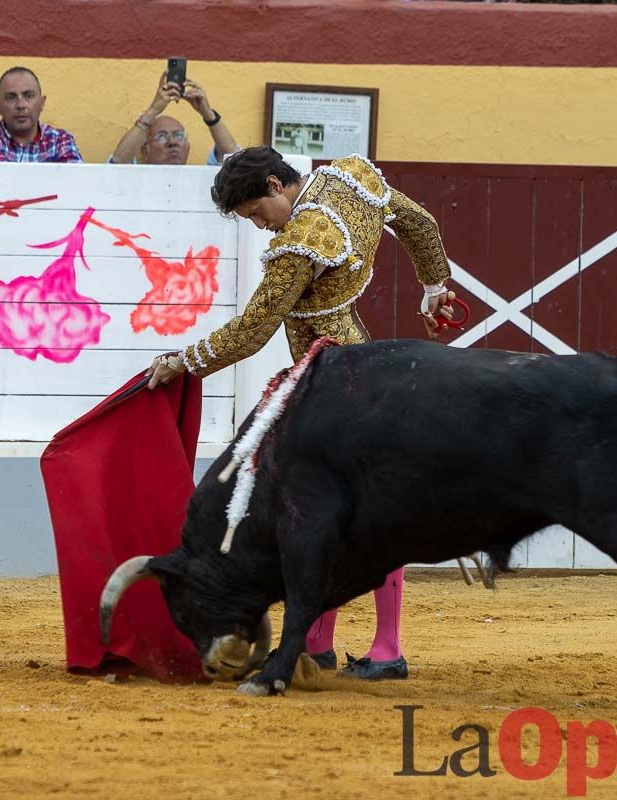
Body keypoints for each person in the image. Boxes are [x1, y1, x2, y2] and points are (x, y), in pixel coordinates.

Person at [144, 147, 457, 680]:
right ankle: (327, 642)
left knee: (340, 514)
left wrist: (183, 362)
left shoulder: (303, 241)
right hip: (362, 367)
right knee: (344, 513)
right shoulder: (347, 179)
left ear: (275, 183)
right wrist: (434, 289)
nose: (263, 228)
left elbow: (252, 331)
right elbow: (420, 224)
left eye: (257, 214)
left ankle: (379, 647)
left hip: (334, 390)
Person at [109, 73, 237, 165]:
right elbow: (118, 163)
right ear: (145, 151)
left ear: (188, 147)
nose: (172, 142)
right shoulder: (134, 180)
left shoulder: (201, 181)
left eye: (179, 135)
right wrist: (153, 110)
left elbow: (232, 158)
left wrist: (208, 114)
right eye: (162, 136)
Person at [0, 67, 82, 163]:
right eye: (11, 98)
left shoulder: (60, 140)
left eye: (29, 96)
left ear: (42, 103)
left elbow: (75, 181)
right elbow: (1, 180)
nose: (20, 105)